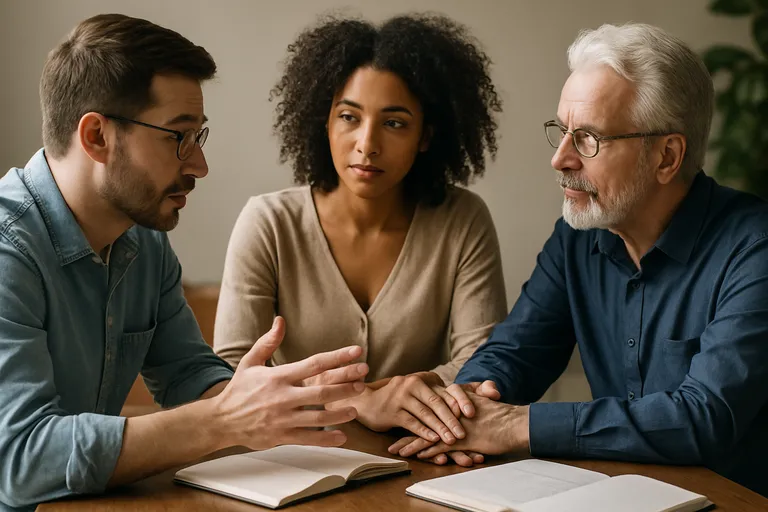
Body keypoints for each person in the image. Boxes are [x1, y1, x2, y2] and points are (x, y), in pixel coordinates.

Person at [0, 14, 369, 510]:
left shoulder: (142, 240)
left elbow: (187, 376)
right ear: (96, 137)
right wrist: (224, 419)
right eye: (178, 137)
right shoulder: (9, 250)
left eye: (200, 137)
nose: (198, 164)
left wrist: (278, 399)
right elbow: (19, 462)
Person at [388, 23, 768, 498]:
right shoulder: (578, 235)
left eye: (588, 139)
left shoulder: (755, 249)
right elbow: (517, 351)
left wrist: (516, 426)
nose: (561, 158)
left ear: (667, 157)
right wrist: (460, 414)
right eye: (562, 131)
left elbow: (703, 416)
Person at [213, 13, 506, 466]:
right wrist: (364, 401)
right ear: (324, 122)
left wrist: (401, 398)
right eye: (349, 117)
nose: (366, 144)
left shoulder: (462, 220)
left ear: (426, 135)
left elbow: (481, 363)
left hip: (423, 459)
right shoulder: (268, 223)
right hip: (292, 464)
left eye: (394, 123)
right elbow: (231, 377)